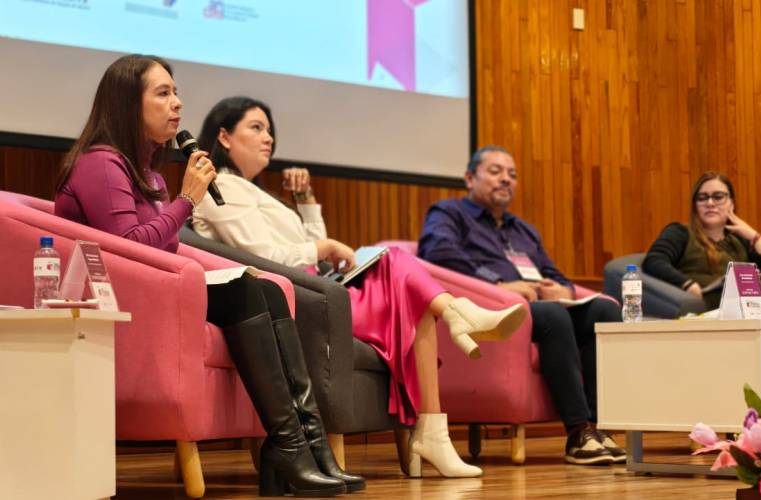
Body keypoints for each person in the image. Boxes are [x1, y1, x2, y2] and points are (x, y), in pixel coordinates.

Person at [53, 54, 362, 497]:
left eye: (176, 92)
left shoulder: (147, 174)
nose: (177, 103)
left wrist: (189, 216)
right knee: (245, 294)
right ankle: (289, 446)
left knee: (268, 291)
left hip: (155, 289)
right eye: (163, 93)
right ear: (127, 103)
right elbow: (130, 249)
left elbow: (162, 249)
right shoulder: (101, 162)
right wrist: (187, 200)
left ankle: (307, 445)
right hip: (110, 298)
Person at [192, 96, 528, 478]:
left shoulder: (257, 192)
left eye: (269, 129)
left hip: (316, 289)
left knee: (410, 292)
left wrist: (306, 201)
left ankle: (435, 426)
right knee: (395, 263)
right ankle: (457, 317)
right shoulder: (220, 187)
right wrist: (323, 247)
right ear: (224, 136)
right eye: (256, 128)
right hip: (289, 301)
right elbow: (263, 255)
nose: (268, 137)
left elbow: (310, 252)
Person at [417, 145, 625, 465]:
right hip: (488, 307)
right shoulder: (448, 214)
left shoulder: (523, 230)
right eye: (495, 171)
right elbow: (438, 256)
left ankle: (599, 428)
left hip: (535, 305)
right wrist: (498, 285)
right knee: (553, 316)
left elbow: (551, 272)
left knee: (604, 312)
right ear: (470, 178)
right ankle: (578, 432)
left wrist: (564, 289)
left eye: (512, 175)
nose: (506, 179)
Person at [643, 171, 761, 310]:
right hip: (706, 304)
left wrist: (754, 236)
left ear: (731, 204)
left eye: (718, 197)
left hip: (747, 307)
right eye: (702, 198)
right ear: (695, 206)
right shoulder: (680, 232)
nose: (710, 203)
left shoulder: (740, 240)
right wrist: (687, 284)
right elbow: (654, 261)